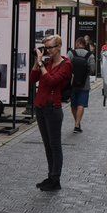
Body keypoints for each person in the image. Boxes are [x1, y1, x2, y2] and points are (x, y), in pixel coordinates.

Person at [30, 35, 73, 192]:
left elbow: (52, 81)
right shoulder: (46, 63)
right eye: (45, 47)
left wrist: (41, 64)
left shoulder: (66, 64)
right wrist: (37, 62)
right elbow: (32, 78)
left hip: (53, 109)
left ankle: (56, 179)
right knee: (47, 145)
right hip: (40, 106)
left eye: (50, 47)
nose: (47, 50)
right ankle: (51, 176)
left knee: (55, 145)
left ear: (59, 46)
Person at [69, 37, 96, 133]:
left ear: (77, 43)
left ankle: (77, 122)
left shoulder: (71, 53)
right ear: (85, 44)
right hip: (85, 84)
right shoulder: (90, 55)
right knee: (81, 104)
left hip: (72, 83)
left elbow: (66, 67)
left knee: (73, 104)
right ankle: (77, 124)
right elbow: (93, 70)